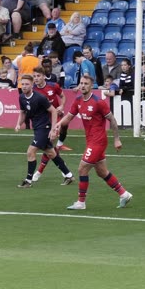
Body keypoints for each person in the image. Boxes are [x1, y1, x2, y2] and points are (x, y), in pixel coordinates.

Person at [50, 74, 132, 210]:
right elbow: (69, 117)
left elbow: (112, 119)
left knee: (82, 168)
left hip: (98, 141)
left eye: (86, 83)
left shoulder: (98, 102)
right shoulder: (78, 101)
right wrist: (57, 125)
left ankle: (81, 202)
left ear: (91, 86)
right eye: (81, 83)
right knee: (102, 172)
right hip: (90, 141)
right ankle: (124, 194)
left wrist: (117, 139)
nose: (82, 86)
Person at [16, 72, 74, 188]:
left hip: (44, 128)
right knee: (51, 153)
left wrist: (53, 129)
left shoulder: (39, 97)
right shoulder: (21, 97)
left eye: (27, 84)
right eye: (23, 84)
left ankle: (28, 180)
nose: (24, 86)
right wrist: (18, 124)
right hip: (37, 128)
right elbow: (22, 112)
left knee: (30, 151)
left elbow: (53, 111)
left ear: (32, 85)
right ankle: (69, 175)